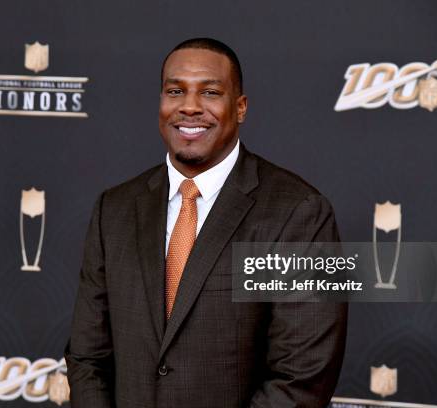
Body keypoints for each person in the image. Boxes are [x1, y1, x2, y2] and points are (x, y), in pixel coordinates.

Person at [64, 37, 348, 408]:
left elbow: (303, 377)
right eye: (175, 91)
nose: (190, 107)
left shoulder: (300, 212)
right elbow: (87, 358)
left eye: (210, 92)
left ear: (241, 107)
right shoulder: (113, 209)